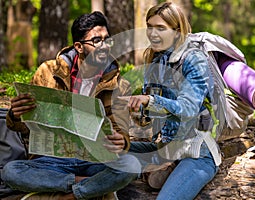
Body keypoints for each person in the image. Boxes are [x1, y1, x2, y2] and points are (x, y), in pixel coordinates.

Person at [2, 11, 141, 200]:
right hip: (52, 162)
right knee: (11, 171)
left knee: (131, 166)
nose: (105, 47)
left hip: (95, 161)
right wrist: (16, 115)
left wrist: (121, 141)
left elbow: (121, 131)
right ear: (79, 46)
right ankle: (88, 186)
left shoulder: (119, 84)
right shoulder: (48, 72)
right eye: (97, 41)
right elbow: (21, 126)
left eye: (108, 40)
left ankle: (69, 196)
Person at [125, 2, 221, 200]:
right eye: (150, 27)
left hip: (195, 153)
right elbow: (152, 115)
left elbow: (187, 109)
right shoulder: (155, 60)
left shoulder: (193, 59)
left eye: (160, 28)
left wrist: (149, 100)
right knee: (106, 152)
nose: (152, 33)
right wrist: (133, 108)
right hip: (167, 149)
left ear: (177, 31)